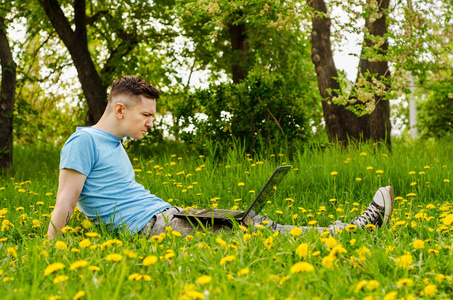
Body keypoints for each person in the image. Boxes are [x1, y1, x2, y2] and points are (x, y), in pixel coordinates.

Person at [47, 76, 395, 239]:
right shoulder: (84, 142)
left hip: (164, 217)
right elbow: (66, 199)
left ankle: (345, 230)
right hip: (151, 227)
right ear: (119, 109)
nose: (151, 124)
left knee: (249, 221)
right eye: (146, 116)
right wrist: (50, 248)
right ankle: (351, 231)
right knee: (251, 227)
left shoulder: (114, 145)